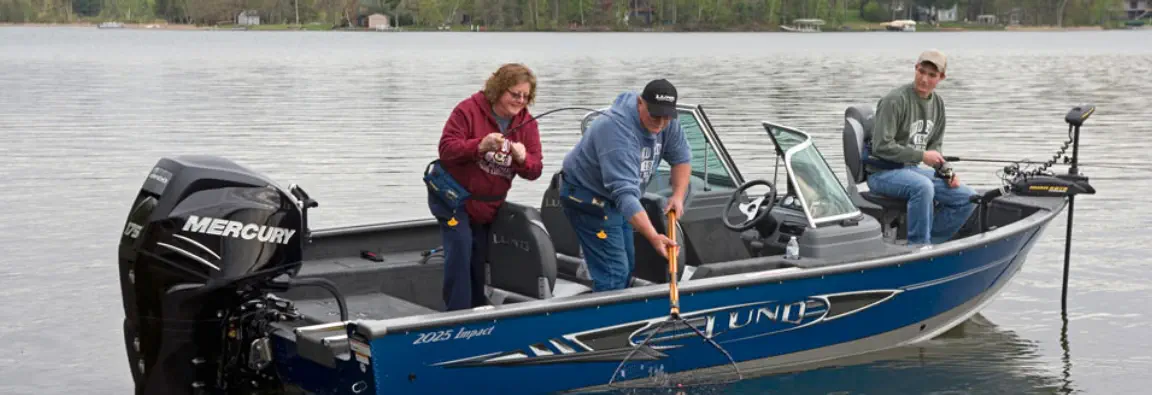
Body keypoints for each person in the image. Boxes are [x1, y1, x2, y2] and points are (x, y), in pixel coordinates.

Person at [426, 63, 543, 310]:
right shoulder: (467, 110)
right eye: (515, 94)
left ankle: (479, 313)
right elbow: (446, 150)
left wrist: (523, 159)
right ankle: (457, 317)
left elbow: (535, 171)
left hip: (488, 206)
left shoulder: (528, 124)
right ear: (498, 89)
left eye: (525, 96)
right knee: (460, 251)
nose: (520, 101)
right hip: (453, 198)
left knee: (480, 259)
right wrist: (479, 146)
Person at [558, 79, 692, 292]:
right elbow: (625, 195)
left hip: (617, 199)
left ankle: (610, 293)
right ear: (640, 103)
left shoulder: (668, 122)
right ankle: (605, 310)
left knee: (628, 263)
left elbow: (681, 158)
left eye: (666, 117)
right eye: (654, 116)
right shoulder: (616, 131)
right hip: (586, 196)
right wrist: (654, 237)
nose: (660, 123)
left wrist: (678, 195)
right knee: (614, 272)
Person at [865, 49, 977, 247]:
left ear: (941, 77)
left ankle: (931, 241)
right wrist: (921, 155)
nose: (924, 79)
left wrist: (947, 171)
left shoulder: (938, 104)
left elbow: (935, 147)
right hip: (882, 173)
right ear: (915, 68)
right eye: (921, 72)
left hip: (912, 170)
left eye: (932, 75)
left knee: (968, 197)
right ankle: (918, 247)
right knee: (923, 187)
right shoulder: (894, 100)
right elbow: (881, 146)